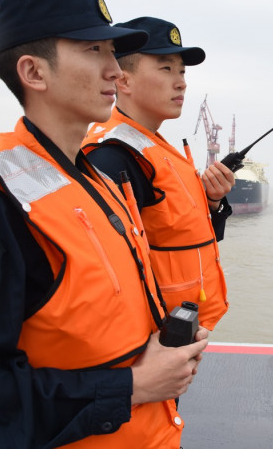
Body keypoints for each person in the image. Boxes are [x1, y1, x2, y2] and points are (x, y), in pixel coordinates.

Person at [0, 0, 207, 449]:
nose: (115, 70)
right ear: (33, 72)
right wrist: (135, 386)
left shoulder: (95, 180)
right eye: (94, 50)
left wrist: (165, 349)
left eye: (112, 51)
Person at [83, 17, 233, 334]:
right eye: (166, 69)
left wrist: (213, 202)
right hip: (152, 338)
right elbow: (105, 273)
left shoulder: (155, 147)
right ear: (123, 80)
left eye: (182, 71)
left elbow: (181, 237)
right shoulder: (114, 156)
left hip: (181, 326)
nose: (181, 83)